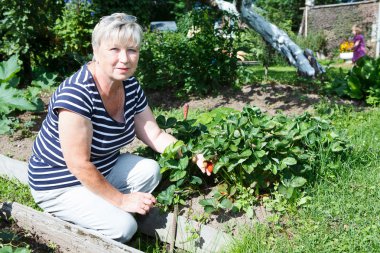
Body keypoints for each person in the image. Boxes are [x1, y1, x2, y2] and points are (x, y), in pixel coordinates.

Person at [27, 13, 208, 243]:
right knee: (123, 227)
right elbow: (78, 165)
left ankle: (98, 207)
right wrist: (122, 201)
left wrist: (192, 156)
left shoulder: (130, 86)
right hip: (59, 183)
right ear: (96, 50)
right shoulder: (76, 94)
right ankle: (63, 218)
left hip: (102, 168)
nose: (125, 58)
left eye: (132, 50)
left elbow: (155, 134)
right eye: (114, 49)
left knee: (150, 170)